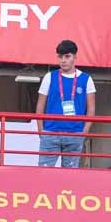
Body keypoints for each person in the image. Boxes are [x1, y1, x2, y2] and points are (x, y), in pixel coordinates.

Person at [36, 39, 96, 168]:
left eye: (67, 56)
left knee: (69, 177)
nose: (63, 60)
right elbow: (40, 106)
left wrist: (84, 132)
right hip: (50, 133)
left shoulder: (86, 79)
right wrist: (42, 131)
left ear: (75, 57)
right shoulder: (49, 77)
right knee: (43, 173)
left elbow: (91, 108)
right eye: (60, 57)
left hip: (75, 134)